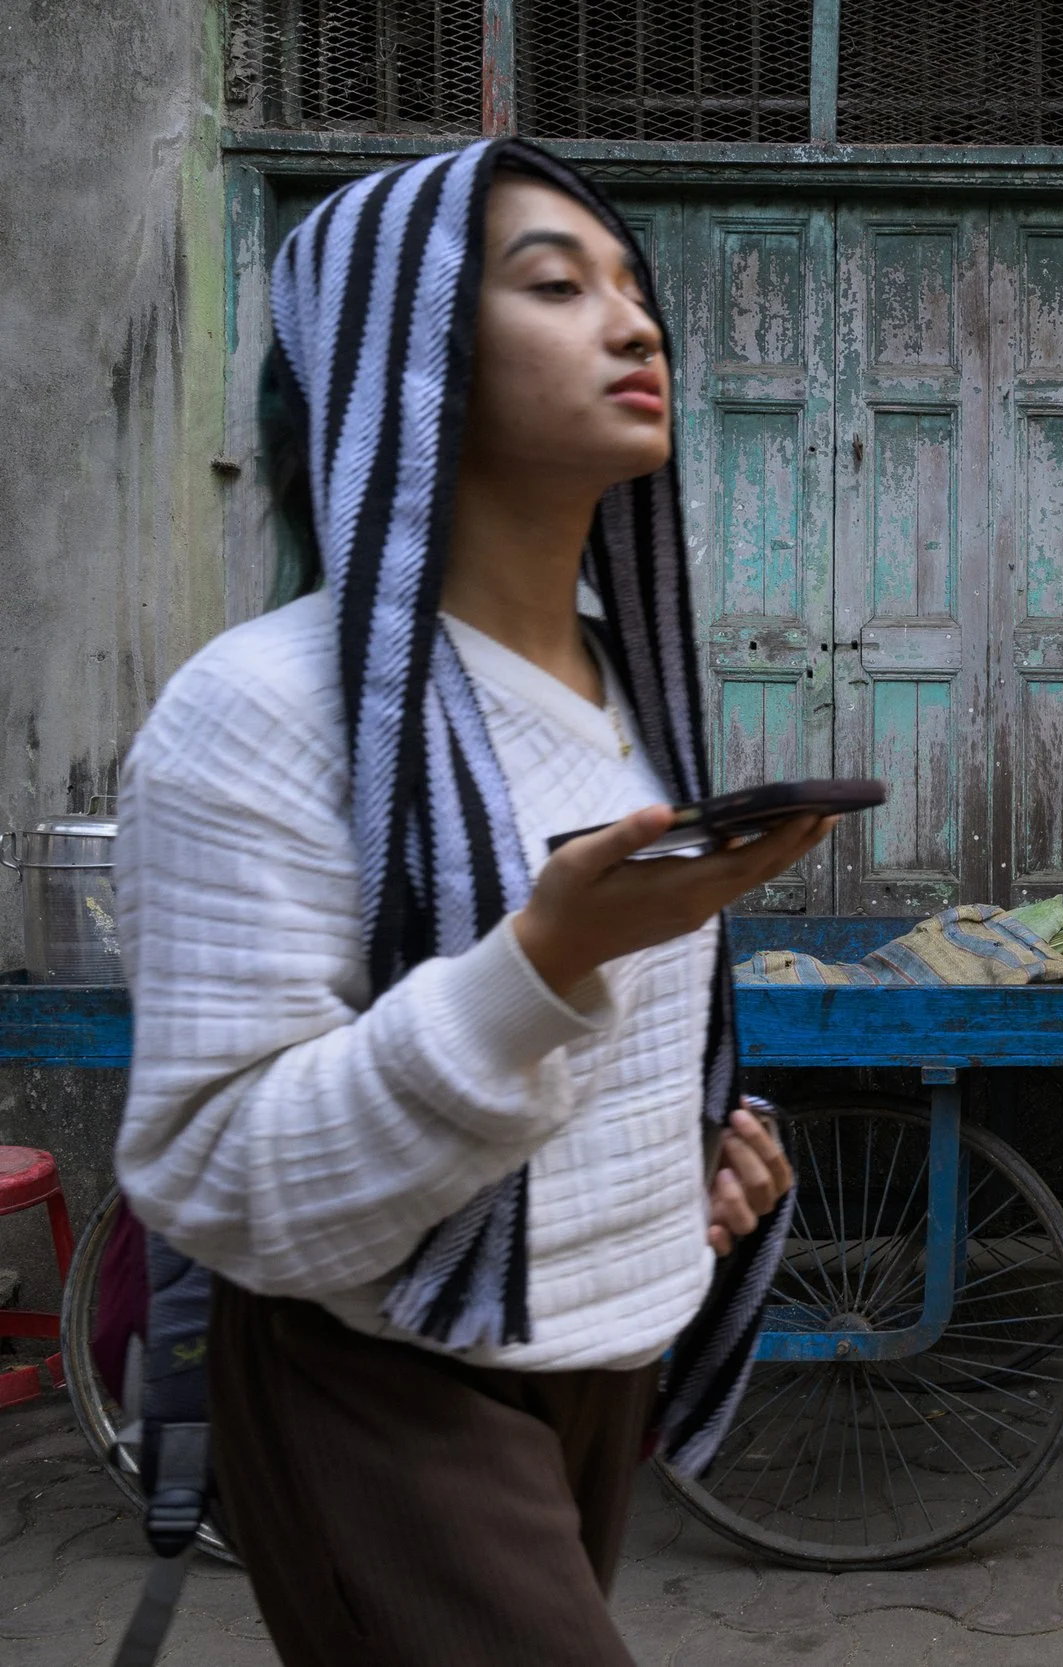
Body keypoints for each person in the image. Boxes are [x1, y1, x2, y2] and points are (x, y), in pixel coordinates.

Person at [113, 141, 814, 1665]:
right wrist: (544, 958)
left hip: (599, 1353)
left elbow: (590, 1078)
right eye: (557, 285)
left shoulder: (628, 696)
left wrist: (679, 1172)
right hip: (378, 1373)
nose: (636, 327)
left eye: (634, 289)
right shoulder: (260, 710)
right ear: (402, 350)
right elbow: (214, 1170)